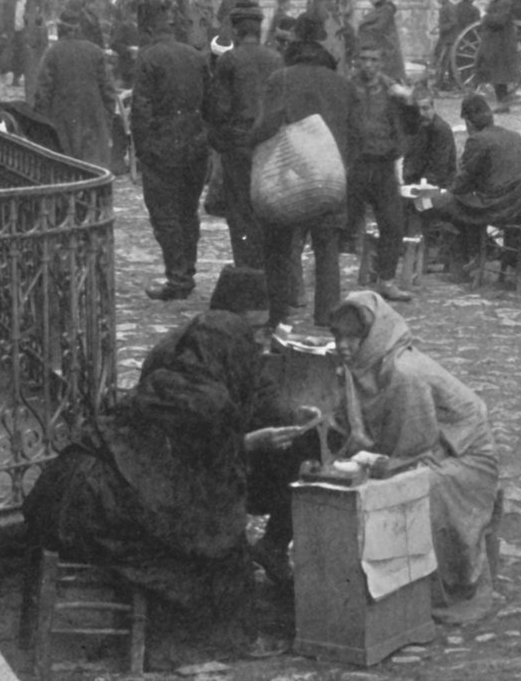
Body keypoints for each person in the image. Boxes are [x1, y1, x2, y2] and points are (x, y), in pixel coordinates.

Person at [23, 266, 319, 654]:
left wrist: (276, 423)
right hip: (96, 508)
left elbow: (173, 452)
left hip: (67, 488)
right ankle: (232, 637)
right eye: (255, 334)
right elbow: (193, 464)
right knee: (216, 544)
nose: (261, 344)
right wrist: (245, 450)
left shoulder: (193, 361)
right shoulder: (203, 390)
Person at [328, 291, 500, 623]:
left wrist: (373, 464)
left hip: (464, 458)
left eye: (354, 337)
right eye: (338, 337)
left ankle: (438, 585)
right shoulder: (360, 366)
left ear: (373, 335)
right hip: (426, 448)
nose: (344, 346)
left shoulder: (403, 372)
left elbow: (412, 447)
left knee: (416, 488)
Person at [252, 10, 360, 329]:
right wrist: (341, 166)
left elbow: (266, 127)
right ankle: (327, 316)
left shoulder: (281, 79)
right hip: (331, 179)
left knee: (279, 246)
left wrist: (252, 144)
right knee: (327, 250)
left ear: (295, 41)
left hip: (289, 178)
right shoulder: (342, 84)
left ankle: (279, 315)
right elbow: (359, 137)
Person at [131, 0, 212, 302]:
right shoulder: (194, 55)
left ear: (146, 27)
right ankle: (186, 272)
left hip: (162, 145)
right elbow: (209, 102)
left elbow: (141, 109)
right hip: (194, 143)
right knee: (187, 211)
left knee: (164, 214)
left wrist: (141, 151)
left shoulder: (148, 58)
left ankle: (177, 277)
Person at [208, 1, 283, 269]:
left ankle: (245, 270)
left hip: (238, 146)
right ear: (259, 29)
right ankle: (268, 270)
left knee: (239, 211)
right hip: (270, 144)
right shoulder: (276, 59)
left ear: (237, 31)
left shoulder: (229, 60)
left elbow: (219, 107)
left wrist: (219, 142)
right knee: (268, 208)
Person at [345, 42, 419, 302]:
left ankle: (386, 280)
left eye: (374, 59)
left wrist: (409, 101)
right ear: (357, 61)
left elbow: (412, 124)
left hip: (383, 165)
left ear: (381, 62)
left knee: (393, 224)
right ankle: (325, 278)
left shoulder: (391, 89)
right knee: (342, 223)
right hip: (355, 165)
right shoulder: (347, 87)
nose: (368, 65)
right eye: (364, 59)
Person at [425, 93, 521, 271]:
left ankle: (461, 261)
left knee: (438, 204)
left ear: (468, 122)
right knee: (460, 204)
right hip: (518, 204)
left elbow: (462, 183)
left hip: (495, 206)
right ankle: (479, 254)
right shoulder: (515, 136)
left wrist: (445, 191)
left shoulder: (478, 140)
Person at [33, 8, 116, 168]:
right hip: (94, 126)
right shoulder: (95, 52)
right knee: (93, 174)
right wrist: (104, 122)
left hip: (61, 127)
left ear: (60, 29)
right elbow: (109, 94)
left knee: (66, 174)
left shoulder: (52, 53)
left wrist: (45, 127)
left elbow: (42, 95)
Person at [477, 0, 521, 112]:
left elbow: (499, 21)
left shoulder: (504, 1)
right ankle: (502, 103)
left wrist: (485, 16)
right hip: (494, 44)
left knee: (500, 75)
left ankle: (503, 104)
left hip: (501, 45)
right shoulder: (497, 1)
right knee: (497, 75)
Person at [402, 89, 457, 191]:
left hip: (437, 188)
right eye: (417, 110)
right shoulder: (412, 127)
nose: (421, 114)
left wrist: (415, 188)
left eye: (425, 108)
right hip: (414, 185)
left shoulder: (441, 130)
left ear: (433, 108)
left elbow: (438, 171)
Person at [357, 0, 406, 83]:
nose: (372, 1)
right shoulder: (381, 10)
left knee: (390, 75)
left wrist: (366, 26)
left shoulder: (386, 10)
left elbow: (379, 27)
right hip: (381, 46)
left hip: (387, 47)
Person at [431, 0, 457, 91]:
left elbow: (453, 22)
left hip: (449, 39)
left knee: (443, 62)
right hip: (445, 38)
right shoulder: (444, 7)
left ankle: (440, 84)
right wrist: (437, 28)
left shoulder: (449, 7)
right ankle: (448, 83)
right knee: (446, 62)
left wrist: (440, 29)